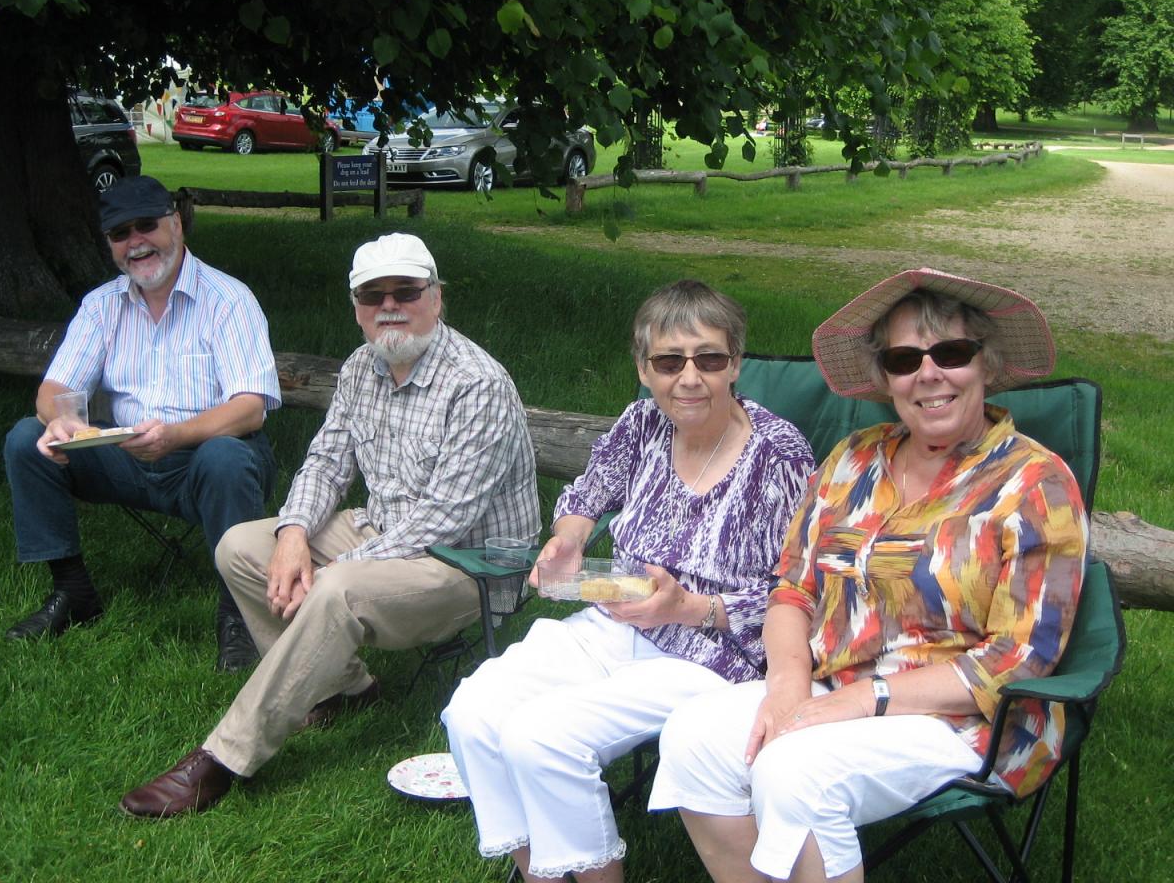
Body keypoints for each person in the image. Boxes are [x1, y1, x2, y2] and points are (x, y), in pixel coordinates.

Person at [650, 268, 1089, 883]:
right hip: (832, 686)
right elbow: (791, 589)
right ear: (886, 378)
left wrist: (867, 699)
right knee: (691, 736)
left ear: (985, 363)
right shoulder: (853, 460)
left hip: (967, 722)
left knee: (792, 772)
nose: (928, 374)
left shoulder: (1035, 484)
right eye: (905, 359)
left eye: (951, 353)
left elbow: (1017, 662)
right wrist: (787, 685)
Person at [119, 232, 540, 818]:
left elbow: (446, 518)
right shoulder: (361, 367)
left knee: (336, 590)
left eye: (405, 292)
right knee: (241, 546)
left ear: (436, 297)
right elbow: (325, 462)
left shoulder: (478, 384)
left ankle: (223, 758)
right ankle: (345, 689)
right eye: (373, 296)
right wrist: (293, 536)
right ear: (356, 307)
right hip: (386, 530)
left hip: (471, 564)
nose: (389, 307)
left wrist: (334, 569)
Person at [442, 280, 816, 883]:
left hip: (712, 654)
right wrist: (568, 539)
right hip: (615, 614)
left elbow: (799, 590)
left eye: (708, 359)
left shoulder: (779, 456)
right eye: (669, 362)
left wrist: (689, 606)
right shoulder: (643, 423)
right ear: (644, 369)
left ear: (735, 364)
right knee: (473, 712)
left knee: (541, 736)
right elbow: (587, 493)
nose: (689, 378)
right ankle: (541, 873)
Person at [2, 175, 280, 672]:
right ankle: (72, 591)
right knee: (27, 438)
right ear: (109, 244)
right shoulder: (101, 305)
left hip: (205, 459)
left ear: (176, 224)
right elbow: (52, 389)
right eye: (120, 234)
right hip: (127, 456)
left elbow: (250, 408)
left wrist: (177, 436)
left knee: (225, 456)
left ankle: (238, 613)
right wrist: (63, 422)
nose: (136, 243)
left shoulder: (229, 299)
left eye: (146, 226)